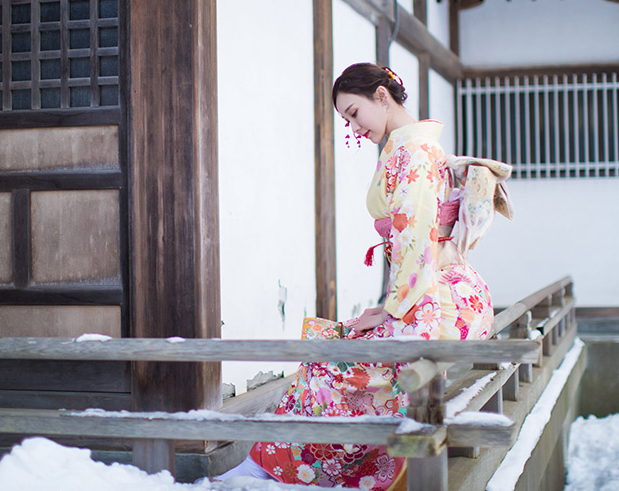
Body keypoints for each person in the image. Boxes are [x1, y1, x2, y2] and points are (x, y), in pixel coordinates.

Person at [218, 63, 513, 490]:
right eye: (345, 120)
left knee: (334, 369)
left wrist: (391, 310)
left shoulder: (413, 153)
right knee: (337, 354)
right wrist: (389, 307)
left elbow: (416, 239)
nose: (353, 128)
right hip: (443, 292)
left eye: (354, 114)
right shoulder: (417, 148)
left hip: (436, 300)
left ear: (381, 96)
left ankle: (270, 469)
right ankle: (268, 466)